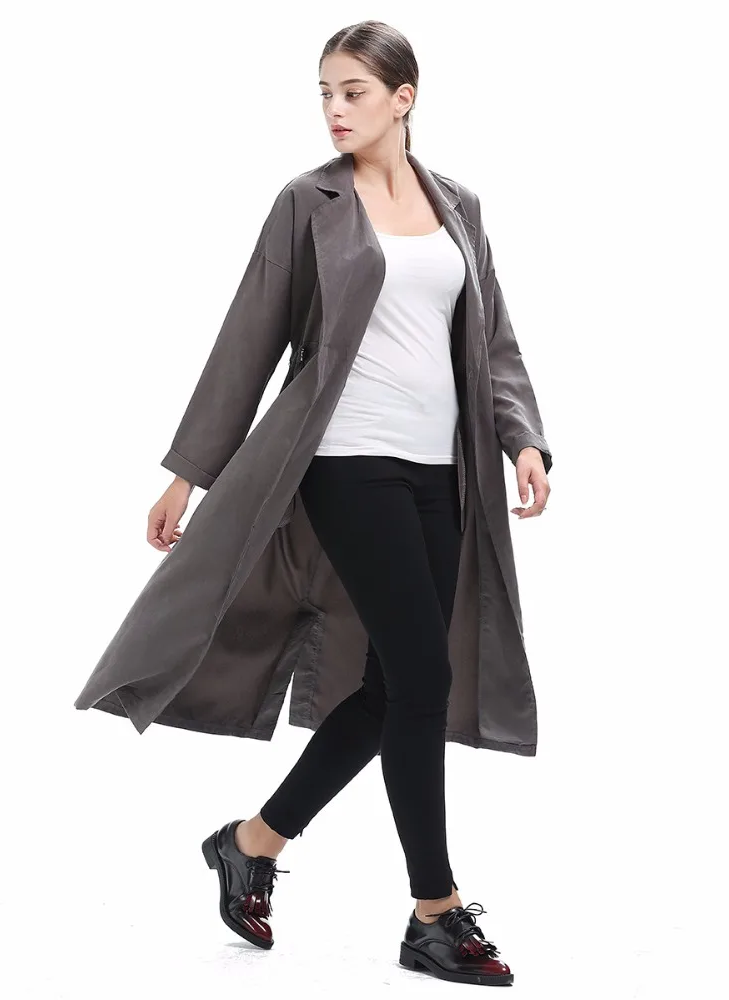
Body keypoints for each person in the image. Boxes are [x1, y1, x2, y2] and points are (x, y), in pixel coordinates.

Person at [155, 21, 550, 988]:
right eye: (325, 93)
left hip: (440, 470)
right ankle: (434, 913)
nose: (334, 109)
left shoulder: (457, 206)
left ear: (404, 97)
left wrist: (523, 437)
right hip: (344, 460)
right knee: (422, 675)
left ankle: (252, 841)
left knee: (392, 687)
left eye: (354, 92)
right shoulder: (310, 203)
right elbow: (248, 334)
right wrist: (189, 470)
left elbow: (491, 338)